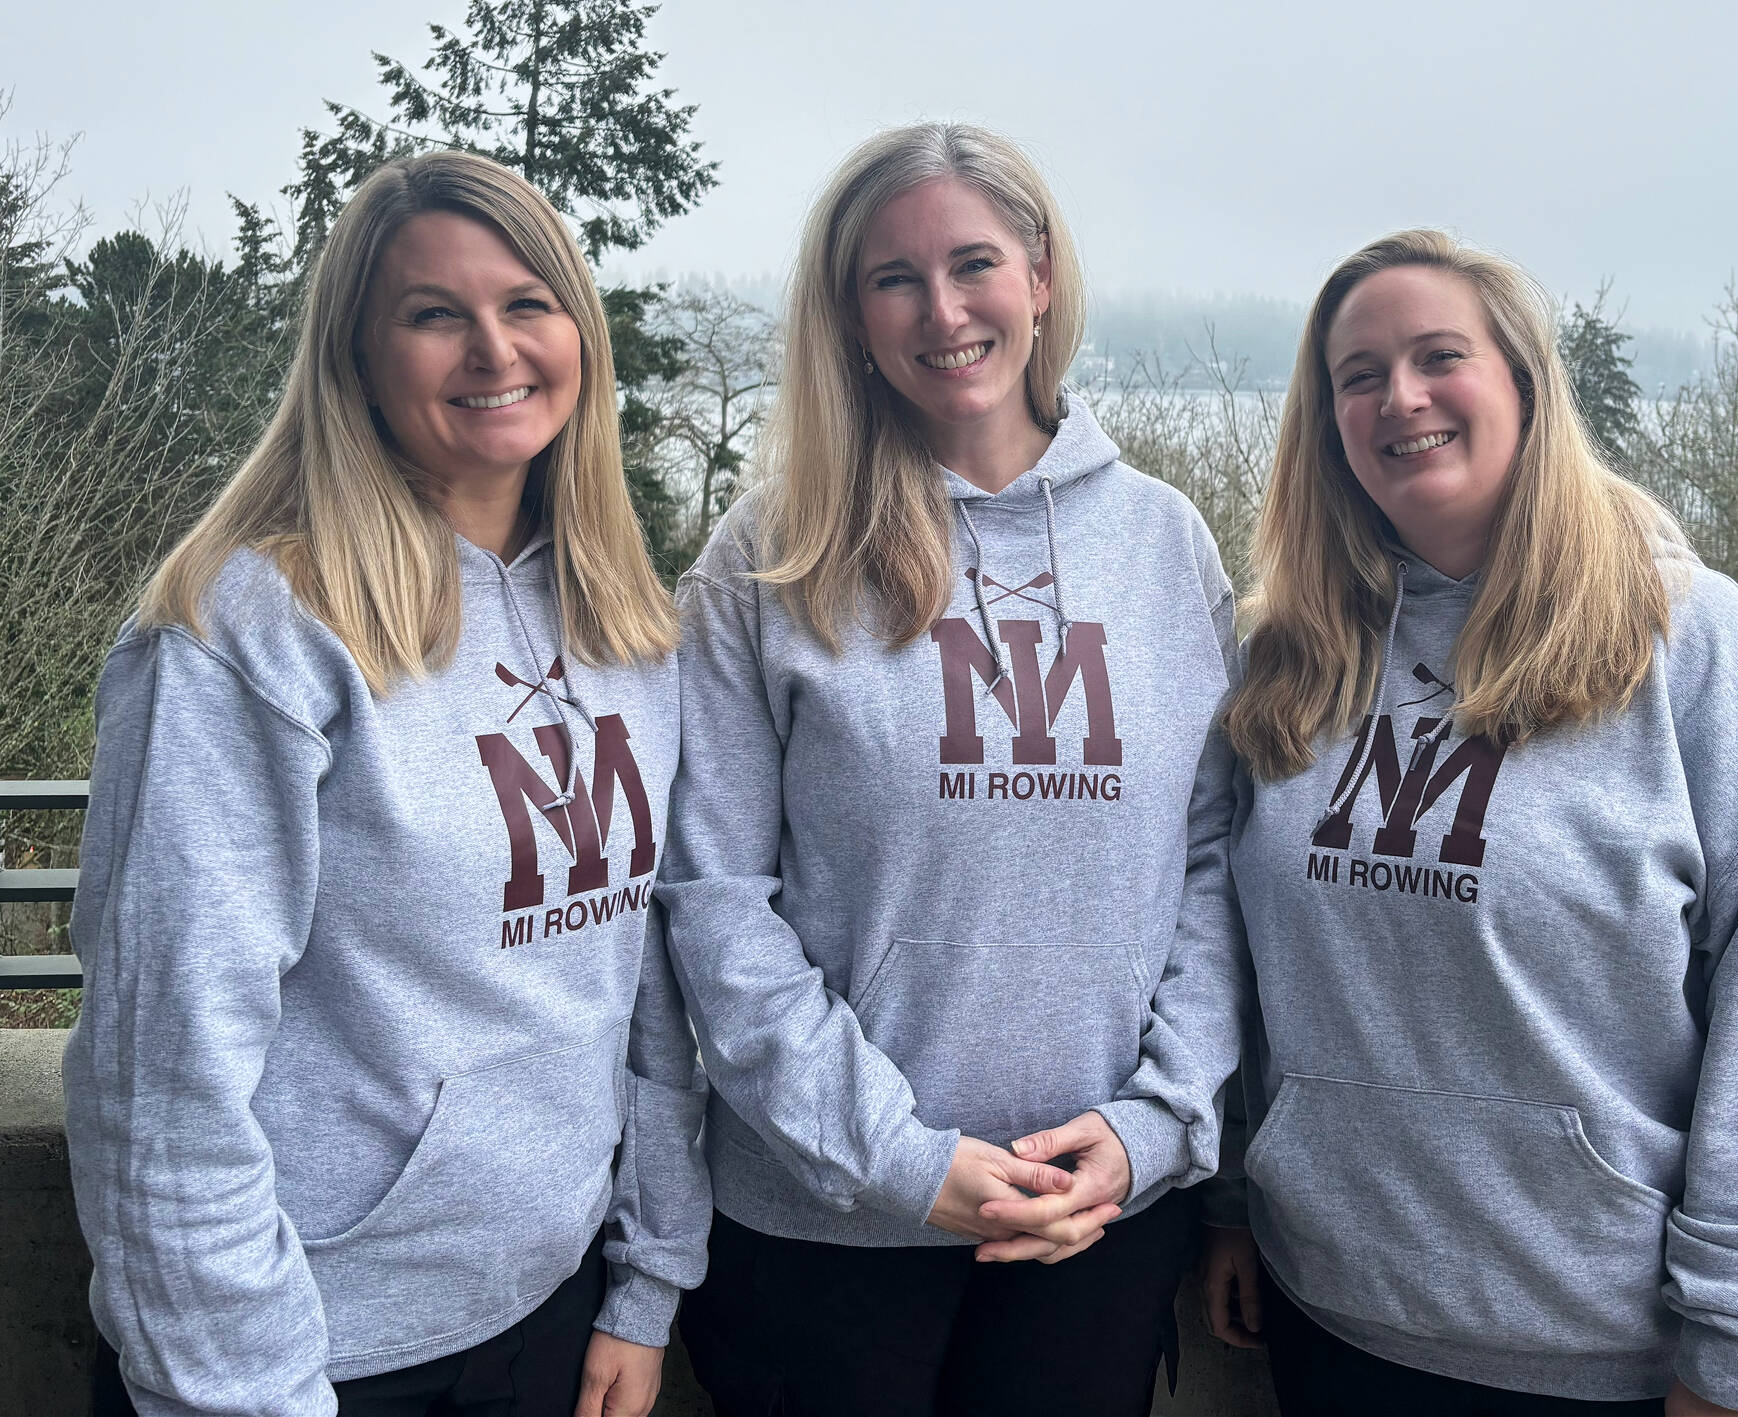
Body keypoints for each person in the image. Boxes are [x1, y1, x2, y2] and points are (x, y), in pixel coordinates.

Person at [1199, 229, 1738, 1417]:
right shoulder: (1287, 661)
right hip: (1336, 1326)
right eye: (1357, 373)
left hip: (1623, 1363)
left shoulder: (1690, 646)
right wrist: (1230, 1201)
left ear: (1524, 385)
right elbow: (1240, 965)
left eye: (1438, 356)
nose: (1399, 397)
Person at [64, 150, 707, 1417]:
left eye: (528, 302)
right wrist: (244, 1393)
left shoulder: (628, 627)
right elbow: (161, 1070)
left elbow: (632, 988)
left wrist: (644, 1281)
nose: (492, 347)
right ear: (354, 355)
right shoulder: (245, 631)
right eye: (431, 314)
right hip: (308, 1353)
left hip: (546, 1311)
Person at [659, 122, 1245, 1417]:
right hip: (820, 1240)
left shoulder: (1163, 544)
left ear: (1040, 275)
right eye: (894, 279)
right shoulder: (772, 556)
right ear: (850, 315)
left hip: (1093, 1225)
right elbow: (711, 898)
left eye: (974, 263)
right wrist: (902, 1161)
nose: (943, 310)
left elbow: (1213, 871)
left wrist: (1153, 1131)